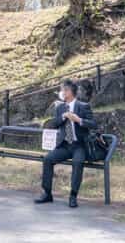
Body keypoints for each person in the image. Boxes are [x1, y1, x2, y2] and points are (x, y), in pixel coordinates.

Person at [35, 79, 96, 208]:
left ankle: (73, 196)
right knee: (47, 159)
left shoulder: (83, 106)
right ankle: (47, 193)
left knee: (78, 162)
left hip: (79, 145)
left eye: (63, 90)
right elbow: (54, 124)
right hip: (65, 145)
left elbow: (93, 124)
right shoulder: (60, 107)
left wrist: (79, 120)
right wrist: (63, 117)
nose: (61, 92)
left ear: (69, 91)